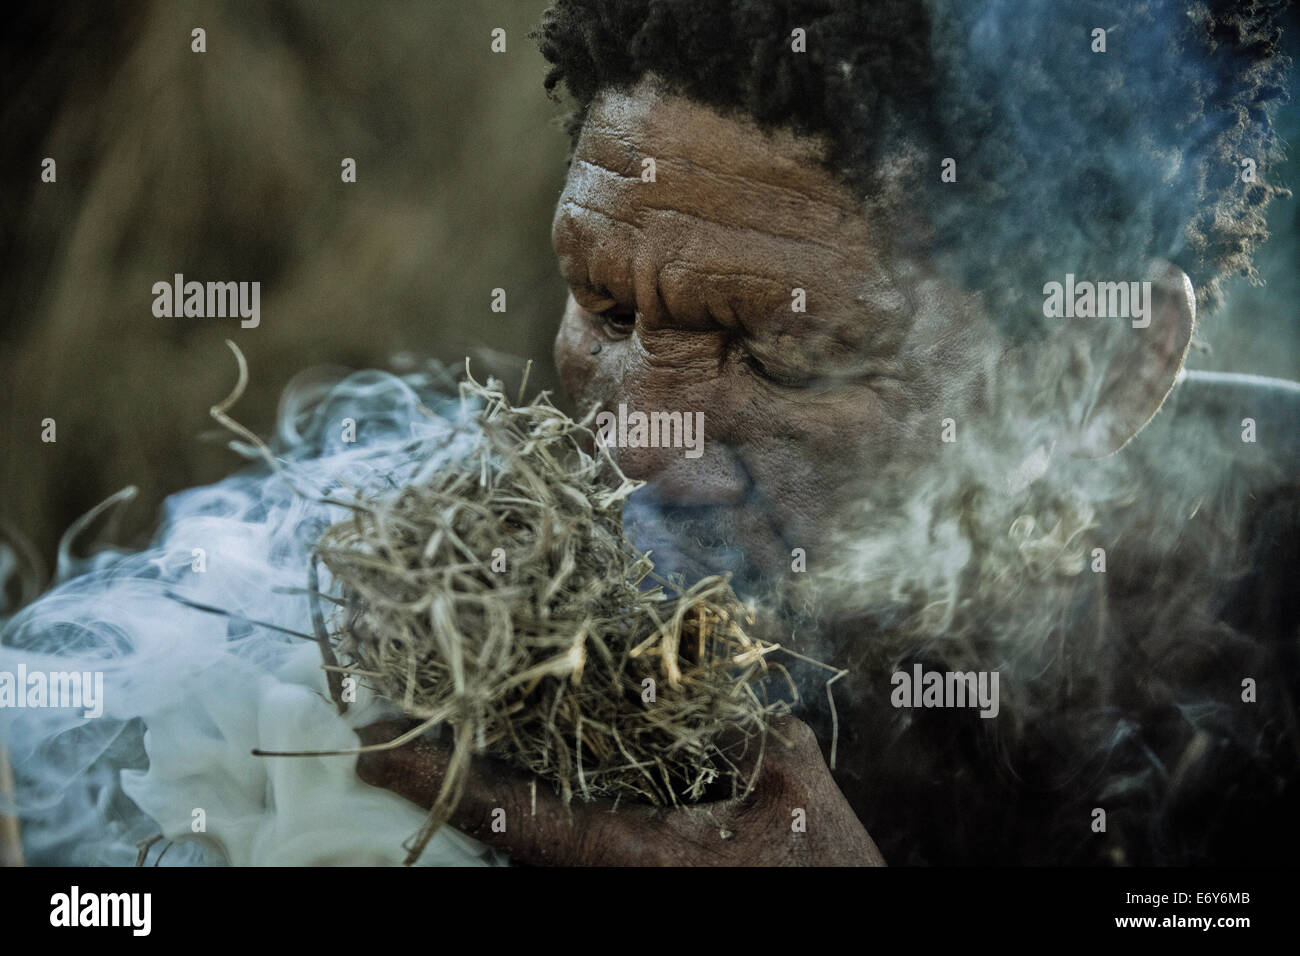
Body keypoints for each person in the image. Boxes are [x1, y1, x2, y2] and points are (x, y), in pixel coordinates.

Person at [357, 0, 1300, 865]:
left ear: (1097, 375)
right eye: (606, 308)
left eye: (781, 358)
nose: (633, 447)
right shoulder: (542, 641)